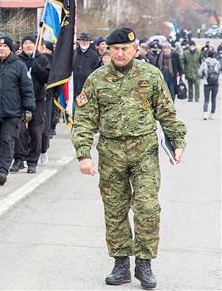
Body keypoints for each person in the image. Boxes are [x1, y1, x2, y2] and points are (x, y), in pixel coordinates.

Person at [71, 28, 187, 290]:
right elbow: (84, 120)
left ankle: (144, 264)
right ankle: (121, 263)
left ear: (135, 50)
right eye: (115, 49)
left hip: (144, 152)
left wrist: (177, 142)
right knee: (115, 210)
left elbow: (167, 113)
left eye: (125, 48)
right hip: (111, 154)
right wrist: (83, 154)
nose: (120, 53)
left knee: (147, 207)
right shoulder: (96, 80)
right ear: (108, 51)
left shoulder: (150, 76)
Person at [0, 36, 35, 186]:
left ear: (11, 49)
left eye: (5, 46)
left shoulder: (19, 66)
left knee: (7, 140)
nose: (2, 48)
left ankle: (3, 171)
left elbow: (27, 89)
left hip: (12, 112)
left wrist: (28, 108)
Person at [12, 35, 51, 174]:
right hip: (20, 101)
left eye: (31, 43)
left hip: (37, 100)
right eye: (25, 43)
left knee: (35, 131)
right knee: (20, 130)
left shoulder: (42, 59)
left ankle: (32, 161)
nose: (28, 45)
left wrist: (37, 67)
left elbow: (47, 77)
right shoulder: (16, 60)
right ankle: (18, 158)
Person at [73, 31, 102, 98]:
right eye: (83, 40)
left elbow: (96, 71)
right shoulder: (74, 53)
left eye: (87, 41)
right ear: (79, 41)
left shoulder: (94, 55)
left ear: (89, 42)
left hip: (87, 88)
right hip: (74, 87)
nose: (85, 42)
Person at [199, 50, 220, 119]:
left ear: (207, 55)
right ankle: (212, 115)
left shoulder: (204, 62)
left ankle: (205, 114)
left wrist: (202, 77)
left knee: (206, 99)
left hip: (206, 83)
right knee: (213, 99)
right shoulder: (217, 62)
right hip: (215, 83)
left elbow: (199, 72)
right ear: (214, 55)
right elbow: (219, 71)